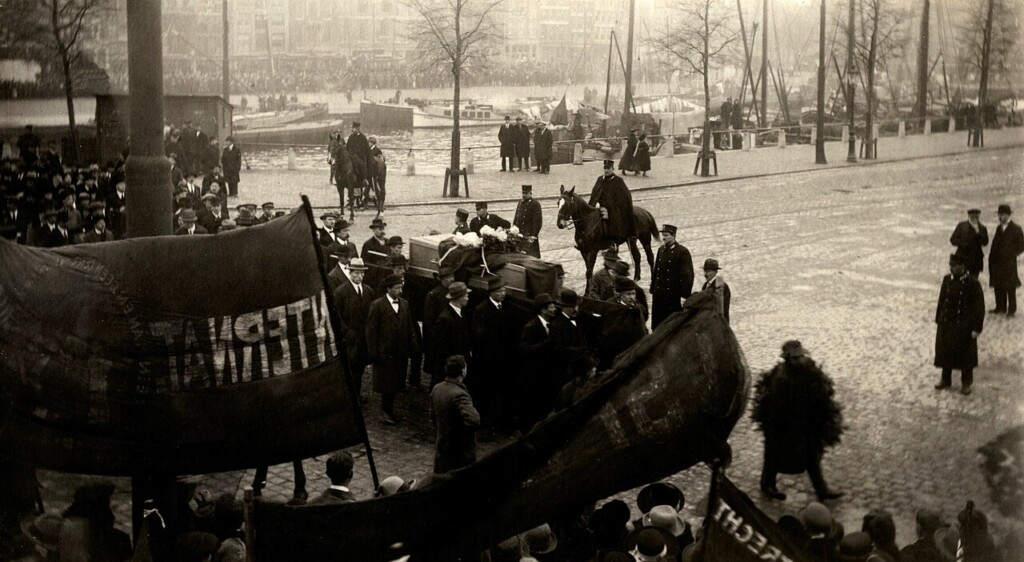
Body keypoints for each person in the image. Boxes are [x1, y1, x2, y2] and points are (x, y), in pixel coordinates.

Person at [752, 340, 844, 502]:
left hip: (801, 424)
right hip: (781, 425)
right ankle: (767, 484)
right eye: (796, 357)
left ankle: (821, 489)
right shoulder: (781, 378)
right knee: (774, 454)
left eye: (800, 356)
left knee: (811, 455)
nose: (800, 360)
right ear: (789, 359)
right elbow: (780, 407)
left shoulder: (805, 370)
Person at [366, 273, 419, 425]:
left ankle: (389, 410)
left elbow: (409, 328)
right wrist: (373, 354)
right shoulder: (377, 306)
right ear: (388, 289)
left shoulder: (405, 304)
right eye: (396, 288)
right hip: (385, 353)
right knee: (386, 385)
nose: (400, 291)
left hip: (400, 353)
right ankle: (385, 411)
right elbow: (371, 331)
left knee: (396, 383)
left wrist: (414, 347)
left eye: (401, 287)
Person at [934, 253, 985, 395]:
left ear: (962, 267)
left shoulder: (972, 283)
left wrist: (976, 328)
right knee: (946, 352)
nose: (951, 268)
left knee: (965, 355)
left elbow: (979, 308)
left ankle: (966, 382)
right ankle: (945, 379)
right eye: (950, 265)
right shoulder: (947, 280)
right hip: (947, 322)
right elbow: (942, 299)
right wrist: (939, 318)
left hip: (964, 325)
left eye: (954, 266)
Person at [470, 276, 513, 425]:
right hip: (487, 358)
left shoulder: (503, 307)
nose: (503, 293)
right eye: (500, 291)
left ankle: (496, 417)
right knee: (486, 388)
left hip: (501, 357)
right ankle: (485, 418)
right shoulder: (481, 309)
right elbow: (478, 337)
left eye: (504, 290)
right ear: (492, 292)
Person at [430, 355, 481, 474]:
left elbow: (433, 417)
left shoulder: (437, 388)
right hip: (459, 453)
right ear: (463, 371)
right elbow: (474, 420)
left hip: (442, 448)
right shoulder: (460, 394)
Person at [334, 258, 375, 402]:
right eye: (357, 273)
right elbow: (337, 316)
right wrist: (347, 332)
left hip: (363, 338)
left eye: (362, 273)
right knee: (350, 368)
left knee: (360, 367)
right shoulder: (341, 292)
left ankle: (356, 394)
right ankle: (349, 396)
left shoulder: (368, 290)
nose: (360, 276)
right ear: (350, 273)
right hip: (350, 339)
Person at [517, 293, 559, 429]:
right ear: (543, 310)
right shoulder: (531, 326)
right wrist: (545, 345)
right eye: (552, 307)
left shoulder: (551, 325)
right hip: (534, 375)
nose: (555, 309)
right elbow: (524, 349)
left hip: (546, 373)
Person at [429, 281, 473, 388]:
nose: (468, 298)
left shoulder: (460, 314)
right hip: (448, 374)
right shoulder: (445, 319)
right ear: (459, 297)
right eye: (466, 295)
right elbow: (440, 349)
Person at [650, 224, 694, 330]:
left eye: (666, 235)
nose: (663, 238)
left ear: (674, 236)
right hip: (659, 295)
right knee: (658, 325)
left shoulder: (682, 252)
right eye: (663, 235)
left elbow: (688, 275)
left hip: (672, 297)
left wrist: (684, 295)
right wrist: (653, 288)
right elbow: (656, 271)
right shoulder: (661, 250)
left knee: (671, 326)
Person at [599, 277, 649, 369]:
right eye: (628, 294)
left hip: (638, 348)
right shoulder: (610, 308)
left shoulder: (638, 306)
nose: (632, 297)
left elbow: (644, 320)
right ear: (619, 295)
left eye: (633, 294)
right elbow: (610, 333)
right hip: (620, 352)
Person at [588, 160, 637, 245]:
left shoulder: (618, 181)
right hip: (598, 206)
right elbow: (594, 193)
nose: (606, 171)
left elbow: (624, 197)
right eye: (605, 168)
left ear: (612, 169)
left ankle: (612, 241)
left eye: (608, 168)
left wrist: (608, 206)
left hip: (613, 208)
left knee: (610, 218)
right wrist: (595, 203)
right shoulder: (600, 179)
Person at [423, 264, 457, 385]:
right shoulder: (434, 294)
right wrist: (436, 338)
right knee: (437, 372)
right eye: (449, 277)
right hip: (437, 340)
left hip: (447, 338)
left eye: (453, 276)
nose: (452, 279)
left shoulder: (453, 293)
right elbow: (428, 320)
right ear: (442, 279)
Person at [989, 204, 1024, 317]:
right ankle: (1000, 307)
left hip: (1009, 263)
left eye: (1002, 215)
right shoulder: (999, 228)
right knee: (998, 284)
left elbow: (1022, 246)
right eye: (999, 215)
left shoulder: (1016, 229)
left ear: (1008, 215)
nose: (1000, 217)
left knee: (1010, 286)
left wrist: (1012, 254)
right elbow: (995, 244)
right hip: (998, 262)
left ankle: (1011, 309)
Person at [950, 208, 989, 278]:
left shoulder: (982, 228)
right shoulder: (962, 226)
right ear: (969, 216)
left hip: (976, 259)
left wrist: (978, 233)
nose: (974, 218)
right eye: (972, 216)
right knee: (960, 279)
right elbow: (953, 240)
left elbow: (985, 242)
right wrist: (963, 243)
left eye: (976, 216)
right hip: (962, 258)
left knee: (974, 281)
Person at [513, 184, 542, 257]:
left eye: (526, 193)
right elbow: (516, 217)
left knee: (531, 258)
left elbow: (537, 222)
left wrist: (533, 236)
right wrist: (513, 229)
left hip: (529, 236)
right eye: (523, 193)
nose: (524, 195)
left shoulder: (535, 204)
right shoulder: (520, 202)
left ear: (530, 193)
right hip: (519, 236)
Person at [347, 122, 372, 204]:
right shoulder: (350, 137)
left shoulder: (363, 137)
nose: (352, 129)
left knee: (360, 168)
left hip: (360, 158)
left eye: (353, 128)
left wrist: (364, 158)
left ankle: (364, 180)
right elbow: (347, 148)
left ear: (357, 129)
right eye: (352, 128)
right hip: (352, 156)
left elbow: (366, 150)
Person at [700, 258, 730, 324]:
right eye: (705, 271)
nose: (706, 274)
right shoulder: (705, 285)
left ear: (715, 272)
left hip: (719, 322)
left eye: (709, 271)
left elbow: (722, 308)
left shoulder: (721, 286)